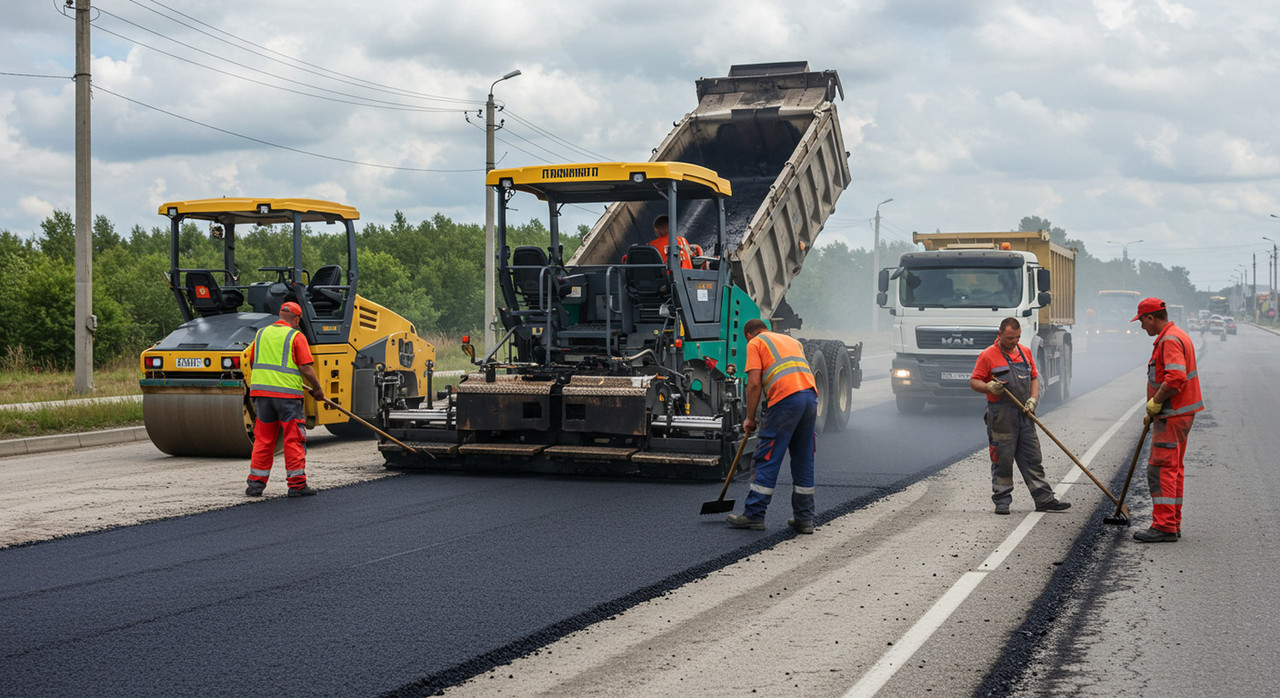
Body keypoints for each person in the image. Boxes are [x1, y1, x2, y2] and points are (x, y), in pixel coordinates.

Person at [969, 317, 1071, 515]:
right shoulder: (987, 355)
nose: (1014, 341)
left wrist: (1033, 400)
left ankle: (1044, 499)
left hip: (1024, 413)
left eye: (1017, 337)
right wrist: (988, 386)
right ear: (1000, 335)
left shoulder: (1025, 352)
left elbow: (1034, 377)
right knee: (1002, 459)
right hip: (1001, 416)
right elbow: (974, 382)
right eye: (1009, 338)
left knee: (1033, 457)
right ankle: (1002, 500)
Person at [726, 318, 819, 533]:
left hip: (785, 400)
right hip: (810, 398)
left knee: (767, 456)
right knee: (803, 458)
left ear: (748, 334)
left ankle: (754, 515)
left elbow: (754, 383)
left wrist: (750, 418)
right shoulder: (791, 341)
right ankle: (805, 519)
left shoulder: (755, 343)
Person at [1131, 297, 1203, 543]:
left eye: (1142, 321)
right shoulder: (1176, 335)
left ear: (1151, 317)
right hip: (1180, 414)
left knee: (1160, 470)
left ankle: (1164, 526)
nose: (1141, 326)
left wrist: (1156, 402)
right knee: (1174, 470)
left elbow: (1174, 378)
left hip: (1173, 414)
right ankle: (1173, 522)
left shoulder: (1170, 340)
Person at [244, 301, 325, 497]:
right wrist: (318, 389)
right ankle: (297, 485)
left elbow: (252, 360)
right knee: (293, 439)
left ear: (280, 315)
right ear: (296, 319)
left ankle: (255, 485)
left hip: (261, 395)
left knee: (263, 439)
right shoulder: (296, 336)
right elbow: (306, 367)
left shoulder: (261, 333)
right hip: (287, 397)